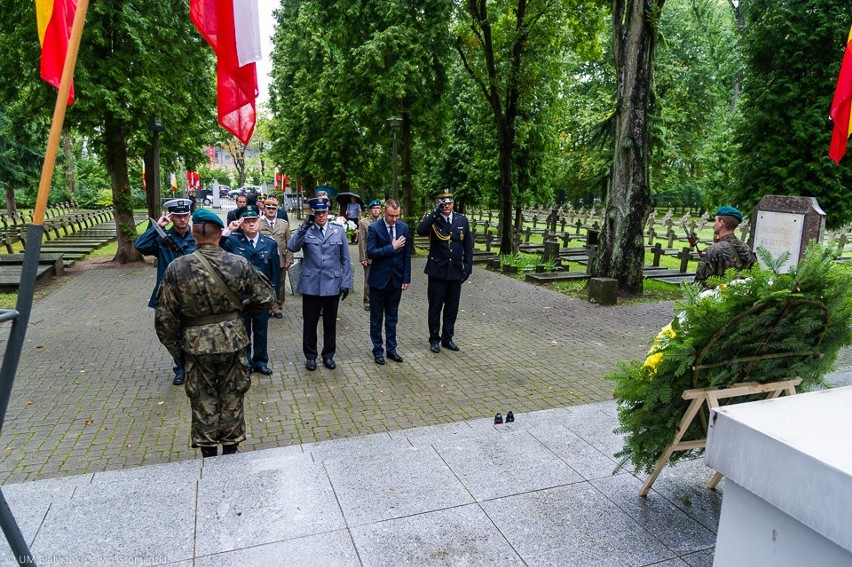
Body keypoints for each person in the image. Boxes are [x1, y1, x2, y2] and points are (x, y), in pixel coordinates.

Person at [154, 209, 275, 458]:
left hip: (195, 346)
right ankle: (231, 450)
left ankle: (208, 454)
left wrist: (179, 352)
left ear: (194, 234)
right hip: (233, 341)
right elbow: (266, 297)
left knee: (202, 398)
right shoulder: (238, 263)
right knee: (232, 394)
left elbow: (164, 319)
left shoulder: (177, 268)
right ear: (220, 234)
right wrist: (240, 310)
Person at [134, 198, 196, 385]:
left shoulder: (197, 239)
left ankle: (191, 368)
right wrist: (156, 227)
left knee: (192, 333)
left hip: (192, 295)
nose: (182, 220)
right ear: (171, 217)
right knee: (170, 335)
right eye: (178, 216)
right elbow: (140, 246)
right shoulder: (162, 239)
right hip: (168, 296)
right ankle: (180, 368)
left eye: (185, 215)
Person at [287, 197, 352, 371]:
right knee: (310, 323)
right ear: (313, 214)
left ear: (328, 213)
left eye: (324, 212)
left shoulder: (338, 231)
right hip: (311, 285)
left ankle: (328, 355)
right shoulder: (306, 230)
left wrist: (346, 282)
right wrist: (304, 226)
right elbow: (292, 247)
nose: (321, 216)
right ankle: (310, 356)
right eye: (318, 213)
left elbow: (345, 259)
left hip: (332, 284)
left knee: (330, 323)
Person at [221, 205, 281, 375]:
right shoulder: (233, 242)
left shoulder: (269, 243)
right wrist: (228, 230)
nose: (251, 224)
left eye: (254, 221)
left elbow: (275, 272)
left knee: (261, 331)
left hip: (261, 297)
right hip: (241, 296)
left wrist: (274, 296)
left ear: (259, 221)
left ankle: (261, 361)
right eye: (247, 222)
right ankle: (246, 362)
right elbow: (215, 250)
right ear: (241, 224)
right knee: (244, 331)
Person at [416, 189, 473, 353]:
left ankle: (447, 338)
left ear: (453, 203)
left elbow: (467, 245)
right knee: (435, 308)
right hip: (437, 272)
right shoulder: (433, 220)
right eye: (443, 202)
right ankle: (434, 339)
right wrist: (434, 213)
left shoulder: (461, 220)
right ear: (437, 203)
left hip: (455, 271)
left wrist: (467, 267)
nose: (446, 205)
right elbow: (420, 230)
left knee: (452, 308)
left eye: (449, 202)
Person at [366, 199, 412, 364]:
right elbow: (370, 252)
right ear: (385, 213)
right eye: (392, 216)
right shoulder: (374, 229)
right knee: (377, 318)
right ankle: (378, 350)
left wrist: (406, 278)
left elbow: (407, 255)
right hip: (378, 281)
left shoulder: (403, 228)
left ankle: (391, 349)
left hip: (396, 281)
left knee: (392, 317)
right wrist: (391, 247)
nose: (395, 219)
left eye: (397, 216)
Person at [694, 206, 757, 288]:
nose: (714, 224)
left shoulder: (711, 251)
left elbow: (699, 284)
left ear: (721, 222)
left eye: (715, 221)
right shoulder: (746, 248)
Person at [258, 197, 294, 318]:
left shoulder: (283, 224)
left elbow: (289, 243)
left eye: (273, 208)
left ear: (276, 210)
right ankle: (267, 306)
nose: (271, 210)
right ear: (264, 209)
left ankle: (277, 307)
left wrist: (289, 259)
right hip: (265, 259)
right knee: (265, 282)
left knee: (280, 283)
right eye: (269, 208)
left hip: (280, 259)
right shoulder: (259, 224)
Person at [358, 199, 383, 311]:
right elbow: (362, 241)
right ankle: (367, 301)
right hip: (369, 256)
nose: (376, 210)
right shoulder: (364, 223)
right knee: (368, 279)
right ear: (370, 210)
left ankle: (379, 301)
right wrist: (363, 257)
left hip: (382, 255)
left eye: (378, 208)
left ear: (381, 210)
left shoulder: (384, 222)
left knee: (381, 279)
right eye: (374, 208)